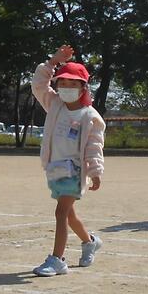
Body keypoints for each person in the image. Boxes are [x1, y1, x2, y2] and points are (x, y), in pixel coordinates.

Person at [31, 45, 104, 277]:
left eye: (73, 84)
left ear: (83, 87)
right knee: (69, 214)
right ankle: (89, 241)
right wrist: (52, 62)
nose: (67, 88)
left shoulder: (90, 116)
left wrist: (95, 171)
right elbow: (39, 85)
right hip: (55, 169)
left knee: (60, 213)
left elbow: (94, 146)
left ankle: (57, 259)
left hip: (75, 172)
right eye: (63, 83)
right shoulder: (55, 105)